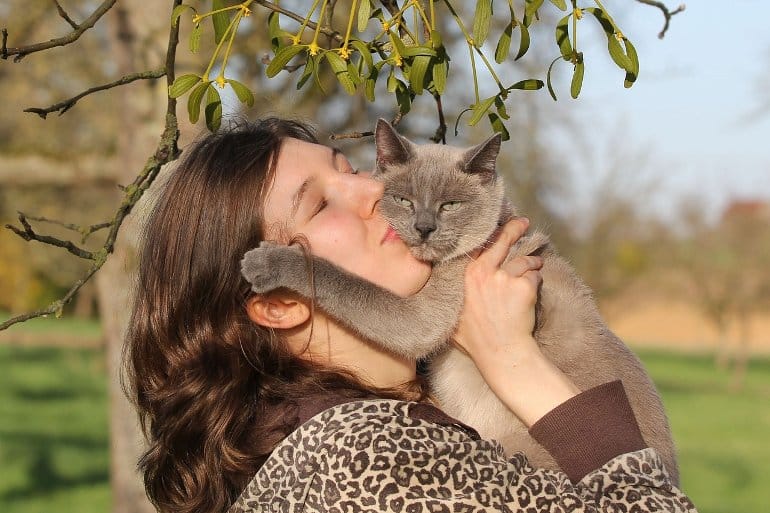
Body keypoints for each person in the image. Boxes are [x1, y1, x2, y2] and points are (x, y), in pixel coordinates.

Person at [125, 118, 697, 513]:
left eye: (349, 167)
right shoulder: (360, 459)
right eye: (321, 202)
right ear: (275, 300)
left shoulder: (326, 432)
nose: (372, 192)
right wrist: (515, 361)